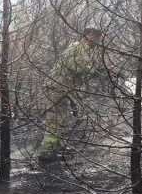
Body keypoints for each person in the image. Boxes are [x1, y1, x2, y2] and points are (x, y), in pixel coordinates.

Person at [39, 27, 105, 163]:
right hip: (56, 87)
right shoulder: (80, 47)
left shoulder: (80, 49)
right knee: (54, 120)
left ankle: (56, 146)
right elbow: (77, 66)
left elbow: (83, 66)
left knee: (60, 119)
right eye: (97, 38)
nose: (98, 41)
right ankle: (46, 152)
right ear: (89, 36)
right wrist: (98, 74)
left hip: (61, 88)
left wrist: (101, 71)